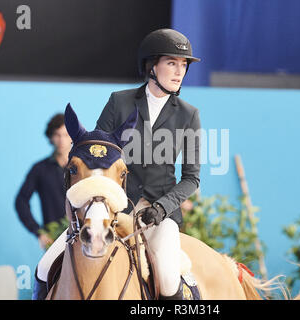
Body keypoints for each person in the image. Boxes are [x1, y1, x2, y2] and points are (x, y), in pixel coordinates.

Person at [31, 28, 201, 300]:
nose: (179, 71)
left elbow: (192, 178)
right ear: (151, 66)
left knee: (169, 279)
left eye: (183, 65)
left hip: (159, 216)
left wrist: (161, 208)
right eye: (172, 63)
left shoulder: (189, 115)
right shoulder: (119, 102)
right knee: (44, 267)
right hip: (111, 209)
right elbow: (94, 157)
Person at [15, 114, 72, 251]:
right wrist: (38, 231)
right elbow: (21, 201)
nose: (61, 140)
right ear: (50, 137)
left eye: (65, 135)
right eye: (57, 135)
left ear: (72, 137)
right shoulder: (40, 169)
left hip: (82, 236)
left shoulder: (83, 168)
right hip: (54, 239)